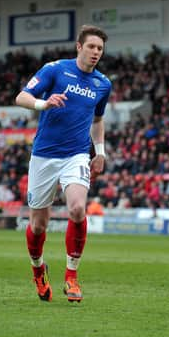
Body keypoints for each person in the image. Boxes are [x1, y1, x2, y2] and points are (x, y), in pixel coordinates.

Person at [15, 24, 112, 303]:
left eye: (100, 49)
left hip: (77, 154)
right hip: (44, 155)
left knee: (78, 208)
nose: (96, 52)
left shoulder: (103, 84)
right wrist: (43, 105)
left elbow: (97, 119)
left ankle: (71, 276)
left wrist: (100, 152)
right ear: (79, 47)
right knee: (38, 226)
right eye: (92, 47)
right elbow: (21, 97)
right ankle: (38, 271)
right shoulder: (54, 69)